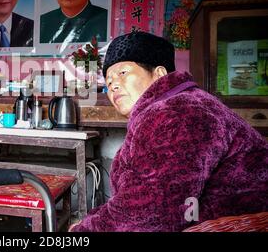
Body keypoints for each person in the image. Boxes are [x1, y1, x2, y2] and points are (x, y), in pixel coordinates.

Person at [70, 31, 268, 232]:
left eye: (123, 73)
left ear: (159, 75)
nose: (113, 85)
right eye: (108, 81)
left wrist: (84, 230)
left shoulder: (177, 112)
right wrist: (93, 218)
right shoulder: (168, 107)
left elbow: (151, 211)